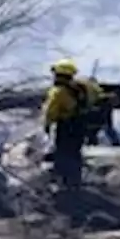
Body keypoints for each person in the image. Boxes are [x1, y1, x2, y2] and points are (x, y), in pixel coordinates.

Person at [41, 58, 92, 188]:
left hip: (66, 126)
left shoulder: (58, 92)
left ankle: (62, 183)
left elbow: (50, 112)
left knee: (62, 153)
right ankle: (75, 182)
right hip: (80, 125)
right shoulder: (81, 88)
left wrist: (46, 125)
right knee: (75, 153)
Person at [81, 78, 120, 146]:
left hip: (100, 116)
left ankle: (115, 143)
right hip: (98, 117)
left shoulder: (100, 92)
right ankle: (115, 143)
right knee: (104, 128)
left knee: (105, 128)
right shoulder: (96, 92)